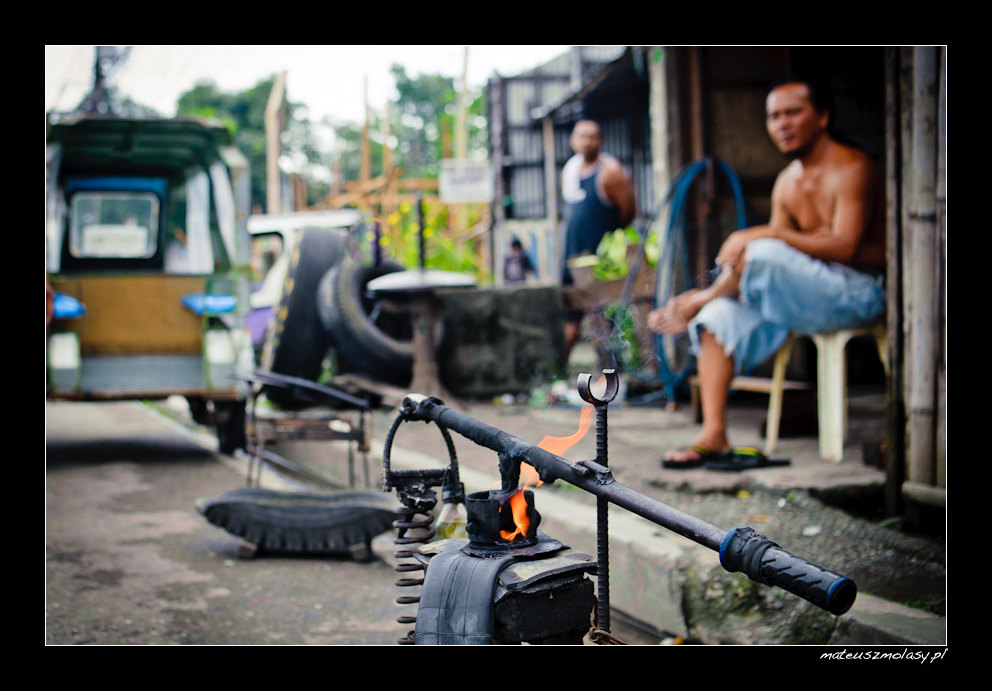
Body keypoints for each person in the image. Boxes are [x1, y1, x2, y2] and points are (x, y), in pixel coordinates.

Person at [648, 77, 887, 467]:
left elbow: (844, 247)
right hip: (801, 296)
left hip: (858, 294)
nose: (782, 124)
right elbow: (760, 266)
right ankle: (714, 433)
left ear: (823, 116)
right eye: (774, 116)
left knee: (758, 250)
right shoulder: (787, 183)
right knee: (716, 317)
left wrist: (767, 234)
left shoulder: (852, 168)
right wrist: (707, 299)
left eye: (793, 112)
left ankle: (701, 300)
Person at [560, 119, 637, 358]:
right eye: (581, 136)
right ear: (573, 141)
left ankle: (613, 377)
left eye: (592, 136)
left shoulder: (611, 172)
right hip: (573, 258)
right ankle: (559, 377)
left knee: (603, 322)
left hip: (600, 264)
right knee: (571, 316)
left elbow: (628, 212)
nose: (586, 142)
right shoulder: (571, 171)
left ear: (601, 142)